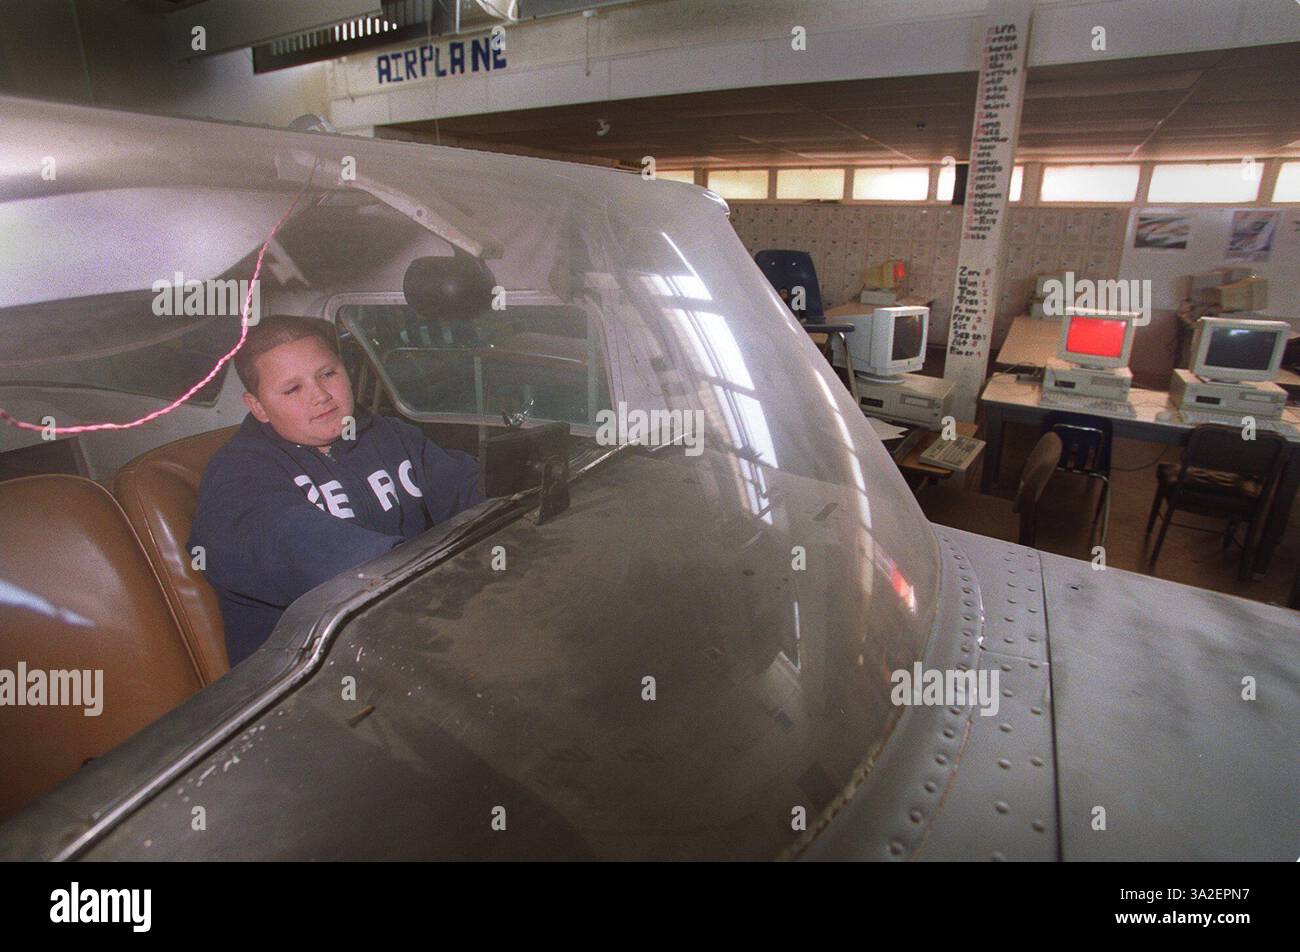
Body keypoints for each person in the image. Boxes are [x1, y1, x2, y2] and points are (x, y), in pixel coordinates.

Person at [190, 315, 483, 666]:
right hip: (305, 675)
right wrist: (419, 571)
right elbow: (298, 544)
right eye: (292, 389)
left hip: (412, 626)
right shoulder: (238, 477)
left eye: (328, 374)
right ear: (257, 406)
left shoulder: (388, 434)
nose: (322, 396)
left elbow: (472, 492)